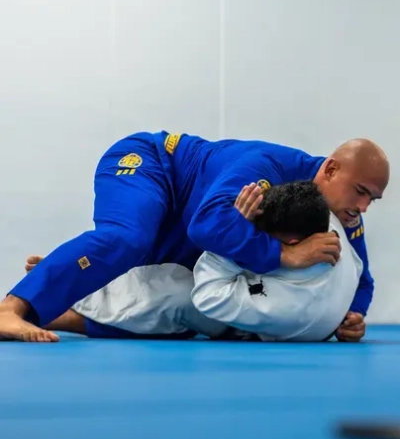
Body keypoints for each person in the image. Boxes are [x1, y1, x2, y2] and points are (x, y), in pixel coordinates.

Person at [0, 132, 389, 342]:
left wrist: (352, 317)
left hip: (183, 228)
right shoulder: (267, 167)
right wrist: (283, 255)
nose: (363, 207)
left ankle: (63, 297)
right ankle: (10, 308)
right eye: (360, 192)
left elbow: (362, 278)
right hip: (154, 167)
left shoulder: (342, 214)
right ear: (331, 170)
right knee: (126, 239)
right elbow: (205, 224)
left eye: (372, 199)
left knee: (195, 316)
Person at [22, 180, 331, 342]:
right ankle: (69, 282)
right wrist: (351, 315)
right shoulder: (327, 235)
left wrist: (233, 230)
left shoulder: (295, 297)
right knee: (167, 281)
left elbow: (209, 293)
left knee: (176, 296)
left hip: (228, 314)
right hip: (239, 304)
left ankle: (62, 296)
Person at [191, 181, 364, 342]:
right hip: (318, 317)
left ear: (293, 243)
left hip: (249, 323)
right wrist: (353, 314)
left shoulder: (283, 304)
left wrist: (234, 231)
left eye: (263, 238)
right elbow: (359, 266)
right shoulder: (329, 221)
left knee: (179, 298)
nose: (255, 238)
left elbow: (206, 297)